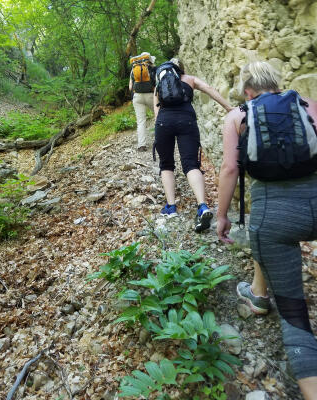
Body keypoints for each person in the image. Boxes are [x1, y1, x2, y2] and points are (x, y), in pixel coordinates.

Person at [217, 61, 317, 400]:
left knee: (295, 316)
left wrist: (221, 216)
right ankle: (257, 293)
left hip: (273, 216)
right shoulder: (305, 104)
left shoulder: (237, 116)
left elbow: (230, 168)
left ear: (248, 91)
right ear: (277, 84)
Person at [154, 57, 232, 232]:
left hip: (163, 122)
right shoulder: (190, 79)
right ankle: (202, 206)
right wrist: (229, 108)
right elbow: (210, 90)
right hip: (187, 121)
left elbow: (156, 109)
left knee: (166, 165)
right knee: (191, 164)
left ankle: (171, 207)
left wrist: (159, 126)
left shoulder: (160, 82)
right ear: (182, 70)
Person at [129, 52, 156, 152]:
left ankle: (142, 145)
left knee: (141, 121)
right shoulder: (152, 68)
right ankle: (161, 139)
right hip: (150, 95)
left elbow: (130, 87)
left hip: (137, 97)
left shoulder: (134, 69)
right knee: (158, 115)